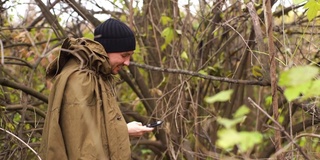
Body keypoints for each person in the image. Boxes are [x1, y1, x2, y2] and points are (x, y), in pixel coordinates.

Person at [40, 18, 154, 160]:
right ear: (106, 50)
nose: (127, 62)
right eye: (124, 55)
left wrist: (124, 129)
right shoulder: (81, 79)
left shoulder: (97, 75)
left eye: (130, 56)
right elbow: (81, 146)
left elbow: (94, 129)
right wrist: (124, 130)